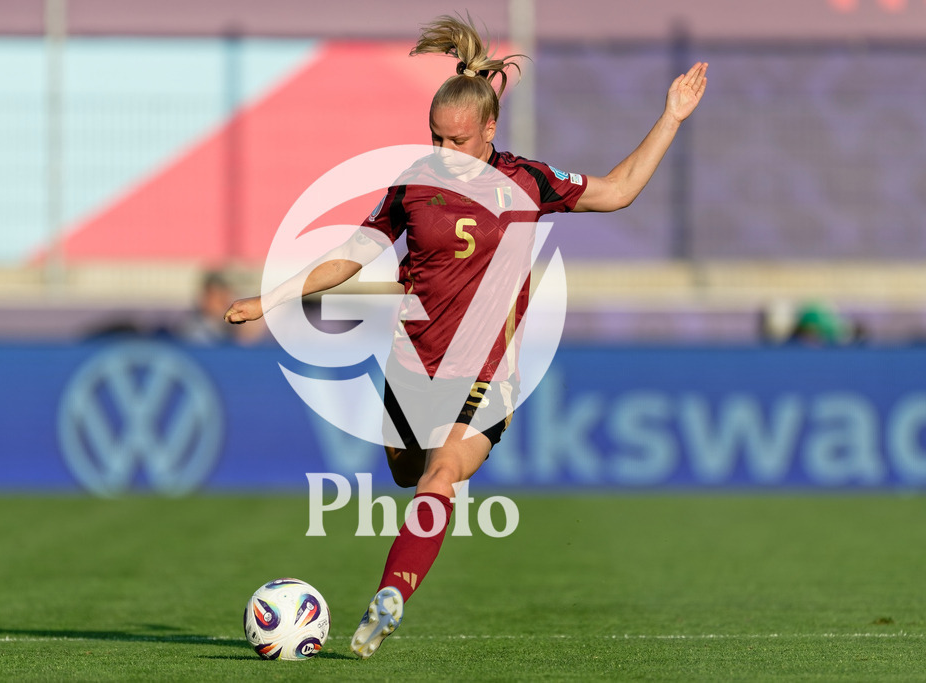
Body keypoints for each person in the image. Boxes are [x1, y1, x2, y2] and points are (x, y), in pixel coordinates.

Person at [225, 14, 708, 659]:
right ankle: (408, 516)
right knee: (405, 469)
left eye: (457, 139)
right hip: (410, 364)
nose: (444, 151)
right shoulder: (412, 185)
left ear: (489, 130)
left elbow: (617, 191)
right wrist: (273, 297)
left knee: (442, 474)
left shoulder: (529, 181)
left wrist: (671, 117)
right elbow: (351, 253)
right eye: (434, 137)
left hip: (484, 372)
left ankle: (391, 595)